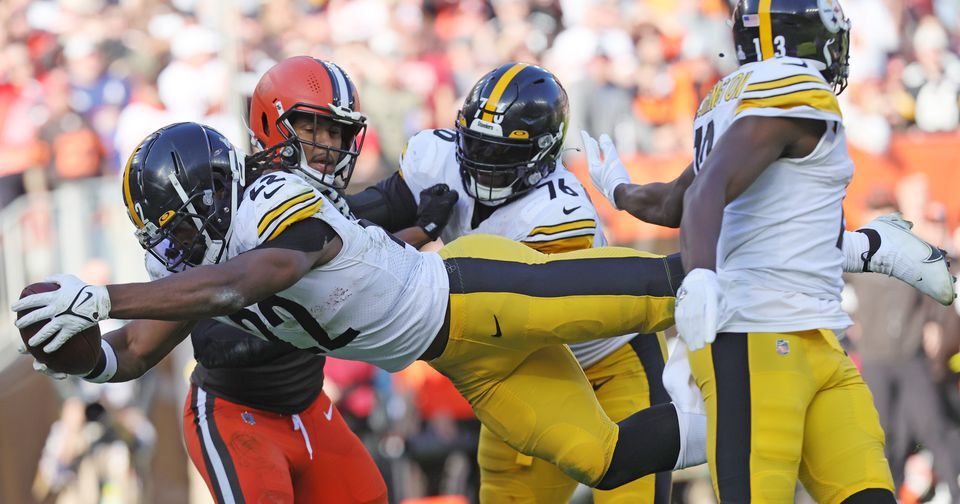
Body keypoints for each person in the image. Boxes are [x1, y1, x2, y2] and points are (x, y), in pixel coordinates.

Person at [14, 121, 707, 492]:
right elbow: (124, 353)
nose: (175, 247)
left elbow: (258, 276)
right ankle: (734, 419)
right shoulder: (206, 262)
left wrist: (101, 296)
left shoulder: (273, 201)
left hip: (473, 296)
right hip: (463, 360)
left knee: (667, 287)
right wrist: (62, 342)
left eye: (180, 226)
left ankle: (793, 285)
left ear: (214, 195)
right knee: (603, 458)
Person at [585, 1, 937, 501]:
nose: (831, 50)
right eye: (821, 36)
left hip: (817, 336)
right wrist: (701, 276)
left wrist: (618, 187)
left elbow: (672, 202)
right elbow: (706, 192)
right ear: (788, 40)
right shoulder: (796, 86)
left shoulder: (733, 98)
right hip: (756, 335)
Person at [320, 61, 675, 503]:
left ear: (544, 154)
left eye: (501, 153)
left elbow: (524, 314)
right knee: (508, 495)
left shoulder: (561, 214)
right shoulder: (438, 157)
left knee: (628, 487)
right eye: (476, 145)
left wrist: (420, 241)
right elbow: (352, 225)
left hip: (610, 362)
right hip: (529, 367)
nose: (483, 164)